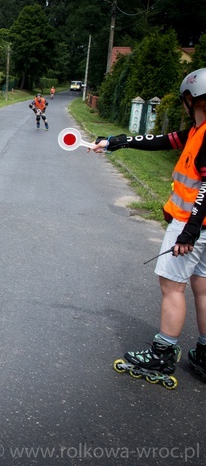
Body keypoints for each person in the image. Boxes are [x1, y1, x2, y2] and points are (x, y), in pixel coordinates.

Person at [92, 68, 206, 388]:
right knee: (202, 285)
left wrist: (189, 231)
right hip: (199, 228)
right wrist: (116, 141)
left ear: (190, 99)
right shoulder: (197, 131)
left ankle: (163, 353)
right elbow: (160, 140)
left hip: (191, 225)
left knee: (172, 286)